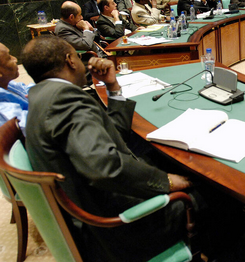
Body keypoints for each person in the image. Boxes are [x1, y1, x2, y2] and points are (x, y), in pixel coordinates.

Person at [22, 35, 195, 262]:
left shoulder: (41, 95)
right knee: (209, 195)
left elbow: (112, 139)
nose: (83, 63)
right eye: (77, 56)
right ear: (69, 61)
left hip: (91, 207)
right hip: (117, 229)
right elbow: (104, 167)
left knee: (155, 156)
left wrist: (113, 87)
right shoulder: (64, 99)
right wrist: (168, 182)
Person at [0, 43, 33, 133]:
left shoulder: (7, 84)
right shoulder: (3, 110)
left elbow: (26, 89)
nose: (15, 59)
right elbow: (31, 126)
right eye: (9, 58)